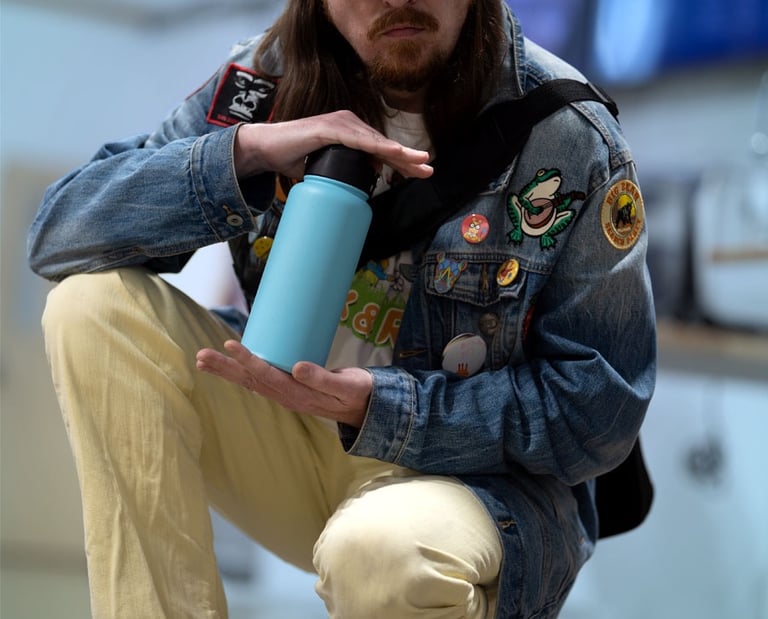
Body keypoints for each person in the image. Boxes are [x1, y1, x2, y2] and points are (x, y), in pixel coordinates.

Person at [27, 1, 657, 617]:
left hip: (465, 485)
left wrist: (378, 406)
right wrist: (244, 154)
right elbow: (58, 233)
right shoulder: (261, 81)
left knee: (381, 557)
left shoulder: (565, 131)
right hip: (288, 425)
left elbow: (600, 409)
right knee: (89, 303)